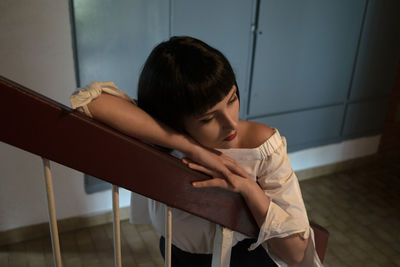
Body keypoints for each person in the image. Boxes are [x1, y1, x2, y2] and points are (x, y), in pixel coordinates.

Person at [70, 36, 322, 266]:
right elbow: (88, 101)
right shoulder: (159, 132)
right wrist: (190, 146)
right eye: (208, 118)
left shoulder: (263, 145)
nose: (231, 122)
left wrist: (248, 187)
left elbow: (296, 253)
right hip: (175, 254)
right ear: (176, 121)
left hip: (243, 259)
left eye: (232, 99)